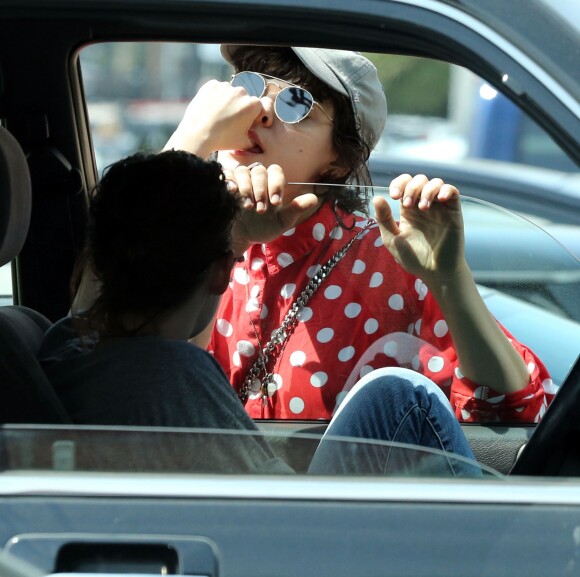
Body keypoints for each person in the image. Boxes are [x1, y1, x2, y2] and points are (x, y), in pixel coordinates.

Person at [164, 45, 554, 423]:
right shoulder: (185, 242)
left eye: (296, 103)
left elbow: (514, 409)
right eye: (248, 86)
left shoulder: (391, 258)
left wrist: (450, 279)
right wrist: (193, 141)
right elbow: (140, 375)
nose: (259, 110)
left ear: (338, 161)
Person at [38, 150, 481, 477]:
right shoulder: (171, 372)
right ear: (221, 273)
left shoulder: (59, 343)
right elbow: (274, 503)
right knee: (405, 397)